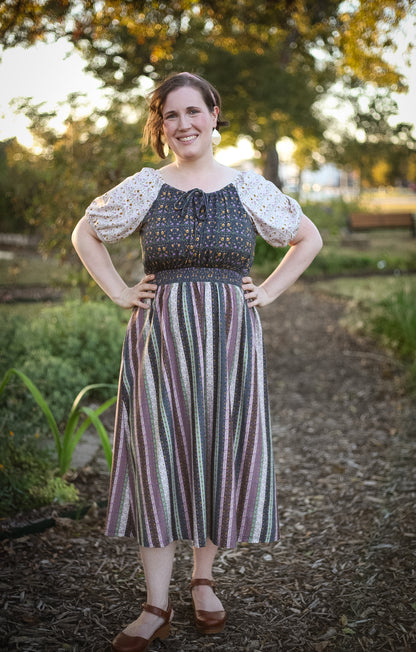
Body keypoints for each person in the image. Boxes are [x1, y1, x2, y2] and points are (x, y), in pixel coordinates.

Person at [72, 71, 322, 652]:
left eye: (193, 112)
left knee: (217, 448)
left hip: (230, 340)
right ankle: (154, 603)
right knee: (157, 455)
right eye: (170, 116)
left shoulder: (249, 188)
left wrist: (272, 291)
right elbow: (87, 234)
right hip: (159, 339)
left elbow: (306, 238)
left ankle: (203, 580)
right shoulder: (145, 188)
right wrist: (116, 291)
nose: (183, 124)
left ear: (214, 115)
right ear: (161, 127)